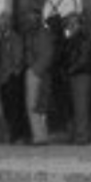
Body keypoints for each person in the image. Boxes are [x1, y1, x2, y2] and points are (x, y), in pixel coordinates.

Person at [0, 12, 29, 144]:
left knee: (14, 108)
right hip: (3, 78)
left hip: (11, 78)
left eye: (2, 23)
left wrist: (13, 72)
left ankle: (16, 135)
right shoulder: (1, 39)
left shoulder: (14, 38)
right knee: (7, 107)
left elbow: (18, 58)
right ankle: (12, 134)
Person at [62, 13, 91, 144]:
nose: (71, 25)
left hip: (81, 74)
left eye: (74, 22)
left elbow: (83, 58)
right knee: (74, 106)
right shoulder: (71, 38)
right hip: (74, 74)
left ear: (80, 24)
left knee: (81, 107)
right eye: (69, 23)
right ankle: (76, 135)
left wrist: (70, 70)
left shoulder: (82, 38)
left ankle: (82, 136)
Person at [24, 9, 55, 145]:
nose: (30, 20)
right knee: (37, 105)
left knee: (34, 104)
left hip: (37, 71)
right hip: (36, 69)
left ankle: (39, 137)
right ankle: (41, 135)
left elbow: (47, 54)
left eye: (33, 17)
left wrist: (35, 70)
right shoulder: (32, 33)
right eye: (29, 17)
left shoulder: (42, 33)